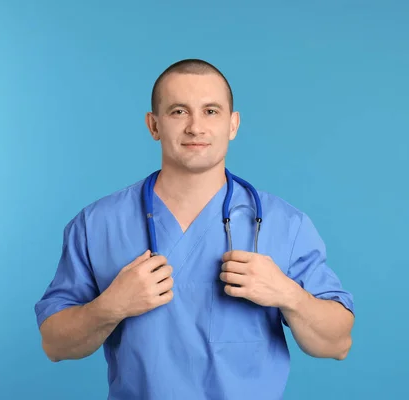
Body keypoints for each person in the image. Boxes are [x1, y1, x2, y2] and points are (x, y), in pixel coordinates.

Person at [34, 58, 355, 400]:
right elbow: (55, 344)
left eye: (211, 111)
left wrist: (288, 294)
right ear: (153, 125)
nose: (196, 128)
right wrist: (109, 306)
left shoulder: (284, 225)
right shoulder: (97, 225)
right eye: (178, 112)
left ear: (233, 124)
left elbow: (337, 344)